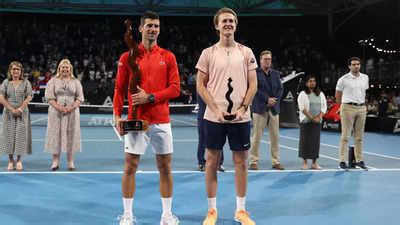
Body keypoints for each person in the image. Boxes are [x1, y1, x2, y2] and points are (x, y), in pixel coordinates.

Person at [113, 11, 180, 225]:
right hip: (136, 121)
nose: (153, 29)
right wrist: (116, 114)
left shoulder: (168, 57)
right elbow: (119, 89)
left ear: (159, 29)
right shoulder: (127, 57)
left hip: (161, 120)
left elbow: (175, 89)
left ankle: (166, 215)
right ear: (141, 28)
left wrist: (150, 97)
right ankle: (127, 215)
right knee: (130, 166)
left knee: (165, 167)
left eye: (156, 26)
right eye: (149, 25)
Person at [196, 7, 257, 225]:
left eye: (231, 21)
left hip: (241, 117)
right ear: (217, 26)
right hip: (214, 117)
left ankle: (241, 210)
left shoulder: (246, 52)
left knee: (241, 162)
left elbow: (253, 84)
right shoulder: (208, 53)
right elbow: (200, 85)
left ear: (236, 25)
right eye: (224, 21)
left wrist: (242, 108)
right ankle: (212, 211)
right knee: (211, 161)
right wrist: (214, 108)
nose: (228, 24)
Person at [44, 58, 84, 171]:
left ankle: (70, 162)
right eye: (63, 67)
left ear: (70, 69)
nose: (65, 69)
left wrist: (70, 107)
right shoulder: (52, 81)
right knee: (56, 134)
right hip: (56, 112)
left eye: (67, 67)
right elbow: (49, 97)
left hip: (72, 112)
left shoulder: (76, 82)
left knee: (71, 135)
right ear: (59, 69)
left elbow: (80, 98)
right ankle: (55, 162)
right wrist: (60, 107)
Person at [248, 50, 284, 170]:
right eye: (265, 59)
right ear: (260, 60)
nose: (268, 61)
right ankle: (253, 161)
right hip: (260, 109)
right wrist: (266, 99)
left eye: (269, 59)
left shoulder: (276, 74)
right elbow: (254, 89)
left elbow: (280, 89)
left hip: (274, 109)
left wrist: (274, 100)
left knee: (275, 137)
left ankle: (276, 161)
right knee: (257, 136)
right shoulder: (254, 73)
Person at [335, 57, 369, 170]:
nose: (356, 66)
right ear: (349, 66)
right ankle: (342, 161)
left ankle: (359, 160)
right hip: (347, 108)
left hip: (361, 108)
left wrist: (365, 106)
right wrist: (340, 107)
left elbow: (364, 92)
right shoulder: (343, 79)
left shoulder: (365, 78)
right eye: (354, 64)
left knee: (359, 137)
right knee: (345, 136)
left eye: (358, 64)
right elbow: (338, 95)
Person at [0, 61, 32, 171]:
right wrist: (11, 109)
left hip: (22, 113)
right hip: (8, 113)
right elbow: (1, 97)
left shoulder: (26, 83)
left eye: (18, 69)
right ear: (10, 71)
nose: (15, 71)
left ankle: (18, 160)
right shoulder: (5, 82)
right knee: (8, 137)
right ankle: (10, 160)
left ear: (21, 71)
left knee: (20, 136)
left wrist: (20, 109)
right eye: (13, 69)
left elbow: (28, 97)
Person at [297, 75, 327, 170]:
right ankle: (305, 162)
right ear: (306, 83)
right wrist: (311, 118)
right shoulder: (302, 94)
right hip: (306, 121)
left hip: (317, 122)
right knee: (305, 142)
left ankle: (314, 163)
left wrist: (319, 117)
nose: (312, 83)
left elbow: (324, 107)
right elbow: (302, 108)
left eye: (314, 81)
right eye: (310, 81)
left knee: (315, 142)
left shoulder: (320, 94)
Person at [197, 94, 224, 172]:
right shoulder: (201, 86)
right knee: (202, 139)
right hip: (203, 115)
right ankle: (201, 163)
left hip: (216, 115)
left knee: (219, 138)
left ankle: (219, 163)